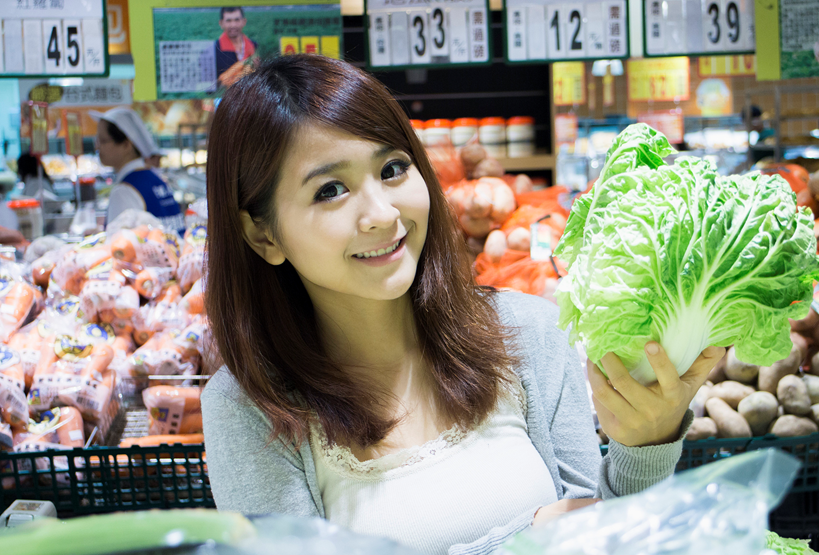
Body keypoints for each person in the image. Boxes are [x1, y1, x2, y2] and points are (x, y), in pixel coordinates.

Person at [201, 55, 725, 555]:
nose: (382, 214)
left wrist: (646, 447)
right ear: (263, 234)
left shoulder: (531, 332)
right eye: (331, 189)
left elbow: (597, 536)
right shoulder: (248, 407)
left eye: (392, 169)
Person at [94, 108, 184, 234]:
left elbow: (118, 246)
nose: (97, 147)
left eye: (103, 141)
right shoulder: (155, 179)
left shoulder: (124, 191)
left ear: (126, 144)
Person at [215, 7, 257, 86]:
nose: (233, 25)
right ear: (221, 23)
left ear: (243, 22)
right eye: (228, 21)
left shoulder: (255, 46)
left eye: (237, 20)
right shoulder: (214, 50)